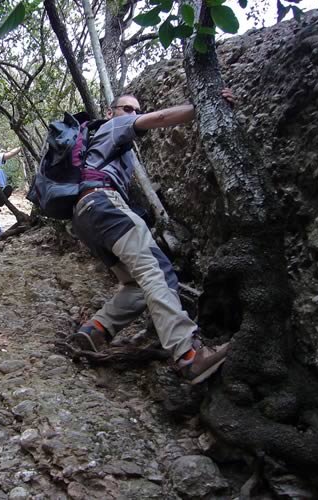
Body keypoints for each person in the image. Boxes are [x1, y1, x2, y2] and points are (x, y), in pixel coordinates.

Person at [68, 89, 234, 384]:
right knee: (158, 271)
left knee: (134, 286)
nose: (132, 114)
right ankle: (189, 354)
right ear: (111, 112)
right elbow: (161, 117)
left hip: (85, 215)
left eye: (135, 110)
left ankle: (95, 331)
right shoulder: (115, 126)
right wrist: (206, 103)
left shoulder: (105, 144)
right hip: (104, 204)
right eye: (127, 109)